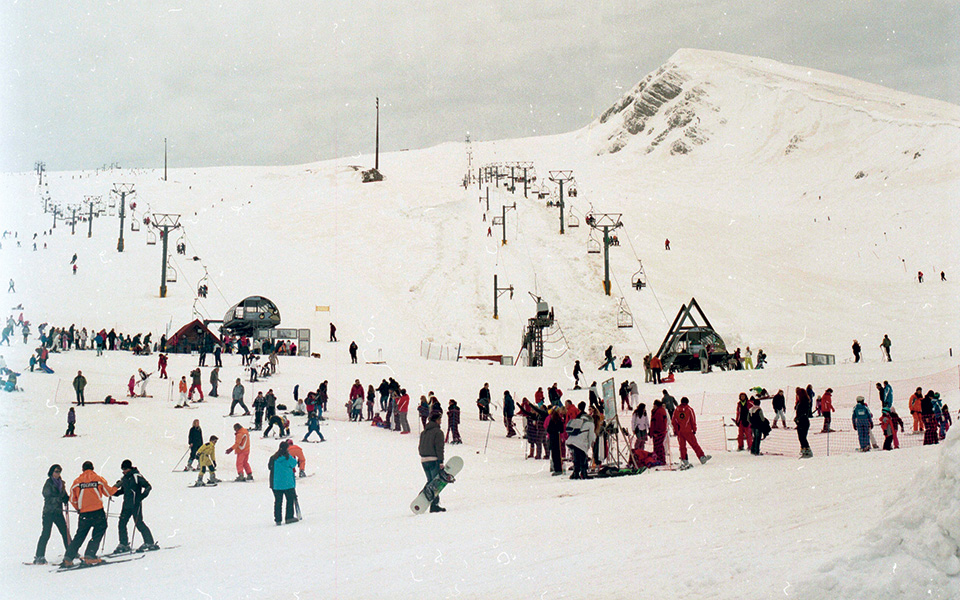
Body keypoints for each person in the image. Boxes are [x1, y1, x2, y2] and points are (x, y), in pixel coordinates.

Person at [61, 461, 118, 567]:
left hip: (84, 514)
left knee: (80, 535)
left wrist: (78, 508)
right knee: (100, 529)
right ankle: (90, 555)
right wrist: (116, 486)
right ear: (93, 468)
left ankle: (68, 558)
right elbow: (108, 492)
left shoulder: (77, 482)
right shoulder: (98, 479)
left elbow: (72, 499)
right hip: (97, 512)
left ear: (82, 469)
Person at [111, 459, 156, 554]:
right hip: (126, 505)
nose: (123, 471)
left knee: (139, 523)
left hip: (135, 504)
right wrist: (115, 493)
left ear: (129, 468)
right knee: (121, 523)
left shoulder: (136, 476)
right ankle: (124, 544)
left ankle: (149, 542)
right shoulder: (124, 478)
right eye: (122, 469)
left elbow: (148, 486)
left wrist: (142, 496)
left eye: (125, 469)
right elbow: (124, 490)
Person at [33, 464, 71, 564]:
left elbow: (64, 495)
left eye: (59, 471)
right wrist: (59, 499)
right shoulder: (48, 483)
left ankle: (71, 552)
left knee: (65, 532)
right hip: (49, 512)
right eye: (56, 471)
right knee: (46, 534)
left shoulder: (61, 483)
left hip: (57, 512)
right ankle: (39, 556)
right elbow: (46, 495)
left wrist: (66, 499)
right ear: (51, 472)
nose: (58, 473)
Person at [418, 413, 447, 511]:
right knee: (435, 483)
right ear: (436, 420)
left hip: (424, 460)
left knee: (431, 481)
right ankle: (434, 505)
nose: (441, 421)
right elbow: (439, 448)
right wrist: (441, 461)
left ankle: (425, 498)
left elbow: (420, 446)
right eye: (440, 419)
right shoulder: (438, 432)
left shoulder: (423, 432)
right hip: (433, 459)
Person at [673, 397, 711, 467]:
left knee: (682, 446)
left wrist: (676, 430)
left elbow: (674, 421)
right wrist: (694, 429)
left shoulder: (677, 410)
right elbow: (692, 420)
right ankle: (701, 457)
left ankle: (684, 459)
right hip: (688, 431)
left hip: (680, 432)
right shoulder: (689, 409)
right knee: (694, 444)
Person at [268, 441, 299, 524]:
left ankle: (278, 519)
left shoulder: (273, 458)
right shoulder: (288, 457)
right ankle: (289, 517)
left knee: (278, 501)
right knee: (289, 500)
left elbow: (269, 467)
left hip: (276, 483)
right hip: (288, 483)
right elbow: (294, 464)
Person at [566, 402, 596, 479]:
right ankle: (584, 473)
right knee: (582, 458)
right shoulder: (590, 424)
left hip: (571, 441)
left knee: (576, 457)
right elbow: (591, 436)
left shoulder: (579, 421)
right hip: (580, 443)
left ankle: (575, 474)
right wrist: (588, 446)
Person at [545, 407, 565, 475]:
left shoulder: (552, 419)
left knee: (554, 454)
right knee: (558, 453)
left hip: (553, 438)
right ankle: (559, 468)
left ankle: (557, 469)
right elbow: (562, 429)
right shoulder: (560, 420)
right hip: (557, 437)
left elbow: (548, 429)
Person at [649, 399, 669, 465]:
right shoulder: (660, 410)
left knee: (658, 446)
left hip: (658, 432)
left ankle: (661, 459)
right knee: (659, 446)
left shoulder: (659, 412)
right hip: (661, 432)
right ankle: (659, 458)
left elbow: (658, 423)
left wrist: (655, 432)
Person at [795, 387, 813, 458]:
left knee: (802, 437)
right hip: (801, 421)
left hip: (804, 421)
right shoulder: (801, 402)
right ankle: (804, 449)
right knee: (801, 437)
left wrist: (798, 418)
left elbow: (804, 413)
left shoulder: (805, 402)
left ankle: (807, 450)